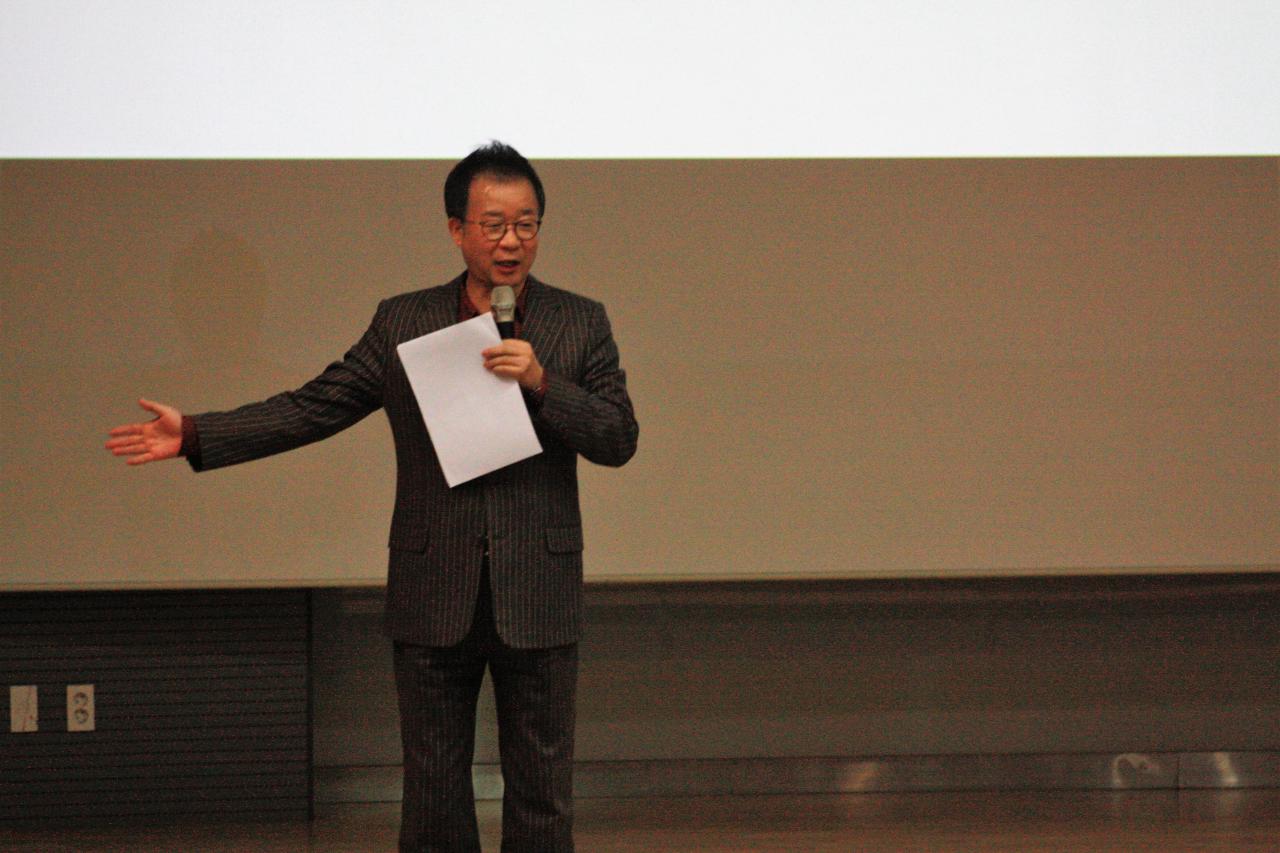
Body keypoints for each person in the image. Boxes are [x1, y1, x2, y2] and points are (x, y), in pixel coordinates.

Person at [105, 142, 638, 852]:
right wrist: (200, 434)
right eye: (493, 225)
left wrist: (543, 383)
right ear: (457, 229)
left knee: (542, 791)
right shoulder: (405, 321)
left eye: (526, 224)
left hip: (537, 587)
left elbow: (618, 437)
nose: (511, 241)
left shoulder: (580, 322)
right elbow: (314, 406)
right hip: (433, 586)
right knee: (433, 792)